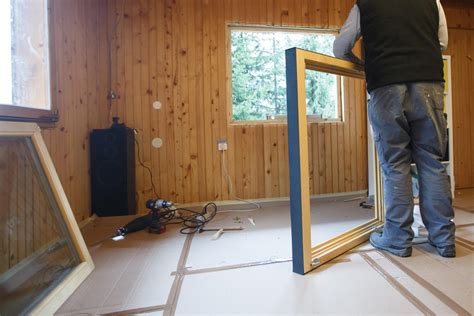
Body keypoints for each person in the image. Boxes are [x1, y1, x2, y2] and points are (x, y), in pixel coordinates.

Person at [333, 0, 455, 257]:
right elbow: (442, 43)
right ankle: (444, 239)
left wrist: (364, 65)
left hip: (386, 84)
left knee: (395, 163)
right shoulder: (432, 1)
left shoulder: (365, 3)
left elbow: (340, 48)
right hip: (429, 83)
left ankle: (398, 239)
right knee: (431, 160)